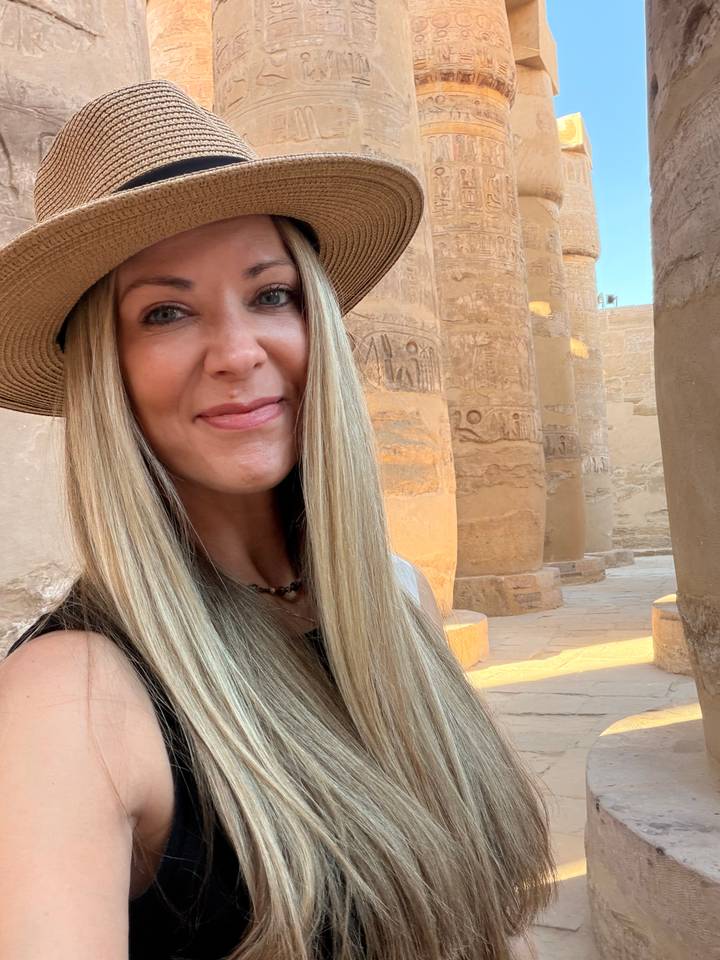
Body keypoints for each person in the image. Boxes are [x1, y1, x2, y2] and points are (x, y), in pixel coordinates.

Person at [0, 81, 554, 960]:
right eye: (166, 312)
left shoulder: (397, 598)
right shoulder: (71, 701)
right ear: (104, 369)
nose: (238, 352)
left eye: (271, 295)